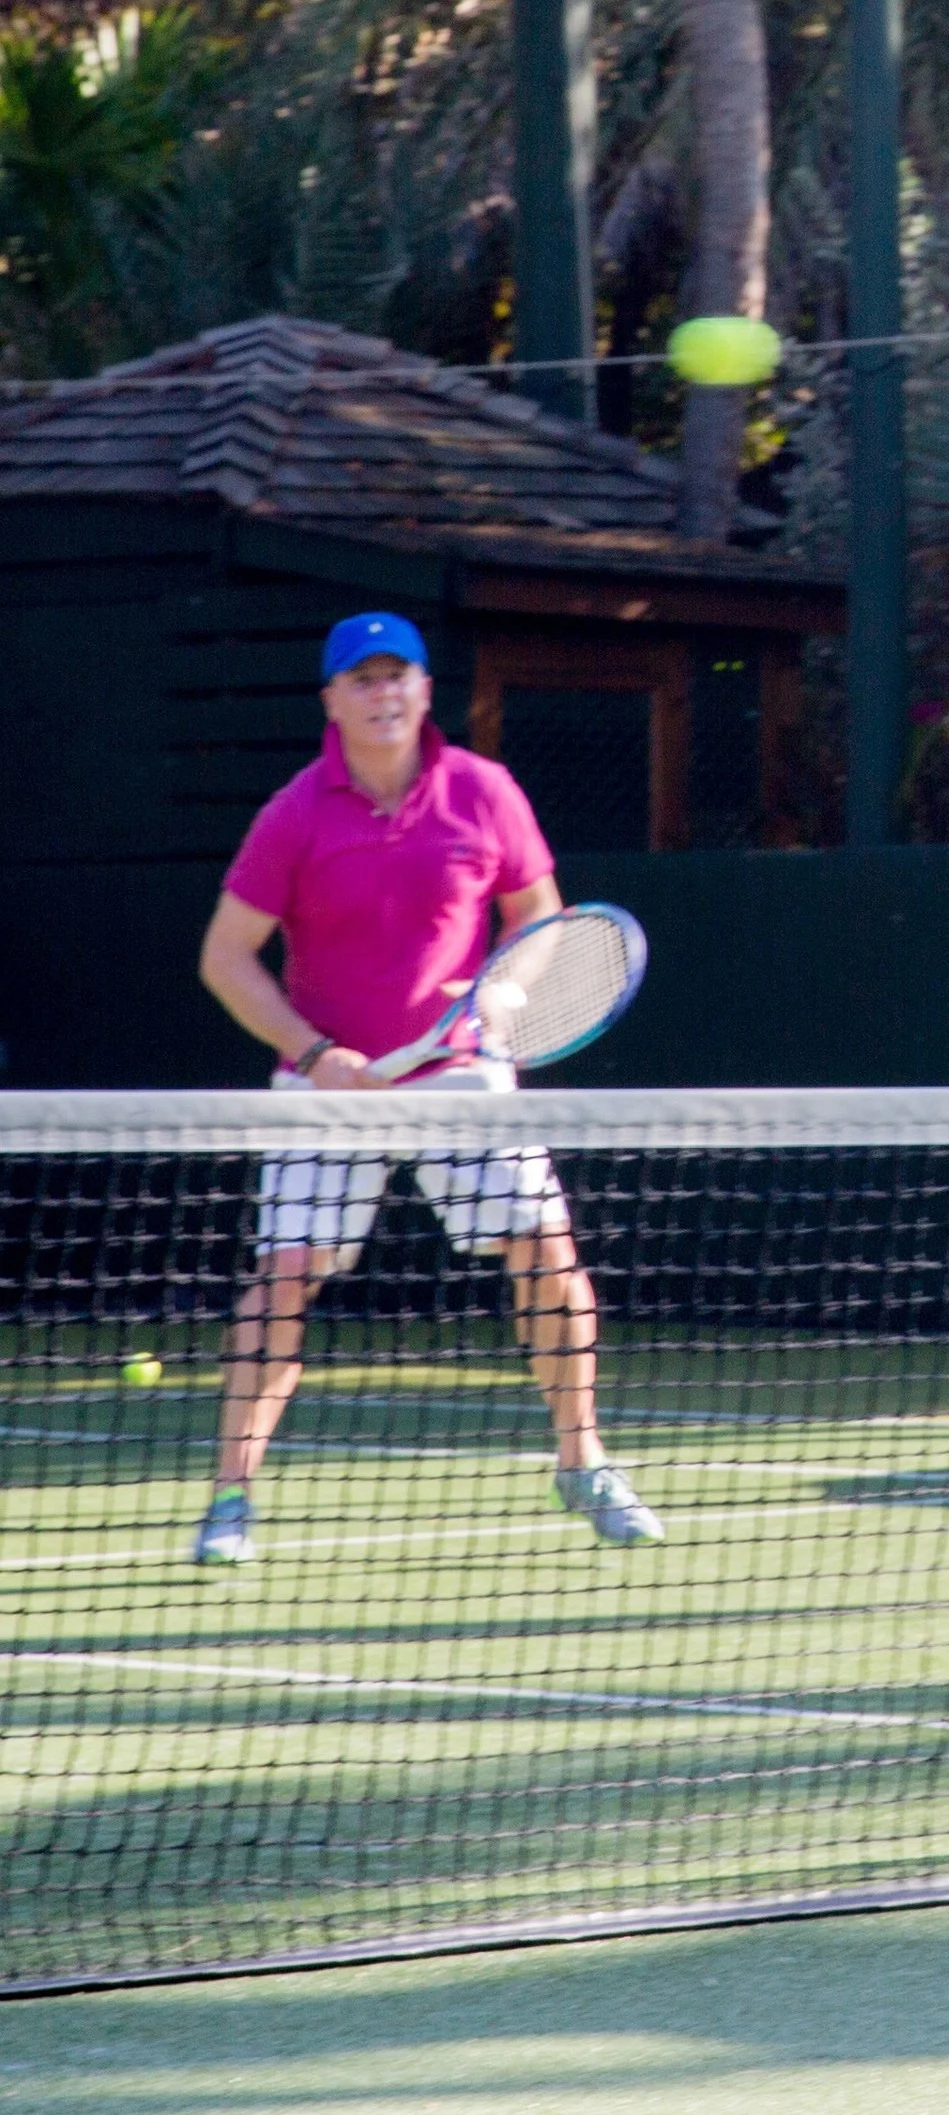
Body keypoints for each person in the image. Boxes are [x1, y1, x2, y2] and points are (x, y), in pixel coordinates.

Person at [190, 610, 663, 1565]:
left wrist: (504, 994)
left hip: (463, 1074)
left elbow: (542, 924)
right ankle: (231, 1497)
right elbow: (226, 958)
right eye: (362, 679)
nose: (384, 693)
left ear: (424, 688)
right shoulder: (292, 813)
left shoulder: (485, 793)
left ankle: (584, 1460)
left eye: (398, 674)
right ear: (332, 700)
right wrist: (315, 1049)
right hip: (326, 1087)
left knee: (544, 1249)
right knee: (283, 1282)